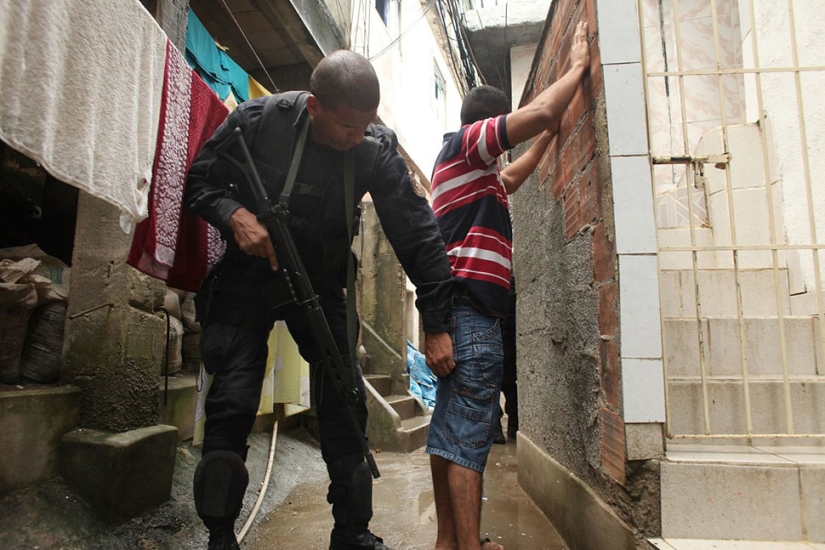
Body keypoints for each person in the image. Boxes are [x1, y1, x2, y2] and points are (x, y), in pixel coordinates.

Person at [184, 49, 455, 550]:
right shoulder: (256, 122)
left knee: (346, 400)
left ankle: (351, 533)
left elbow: (418, 235)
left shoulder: (374, 147)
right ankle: (220, 534)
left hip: (321, 282)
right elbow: (200, 180)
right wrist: (233, 213)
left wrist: (436, 321)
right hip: (249, 276)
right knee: (231, 398)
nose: (357, 137)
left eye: (366, 125)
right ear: (313, 106)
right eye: (347, 126)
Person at [425, 21, 591, 550]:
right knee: (471, 438)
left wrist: (545, 138)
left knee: (450, 436)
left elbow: (518, 170)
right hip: (473, 318)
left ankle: (451, 543)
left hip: (461, 317)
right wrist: (578, 67)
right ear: (489, 125)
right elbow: (539, 112)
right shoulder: (466, 145)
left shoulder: (477, 175)